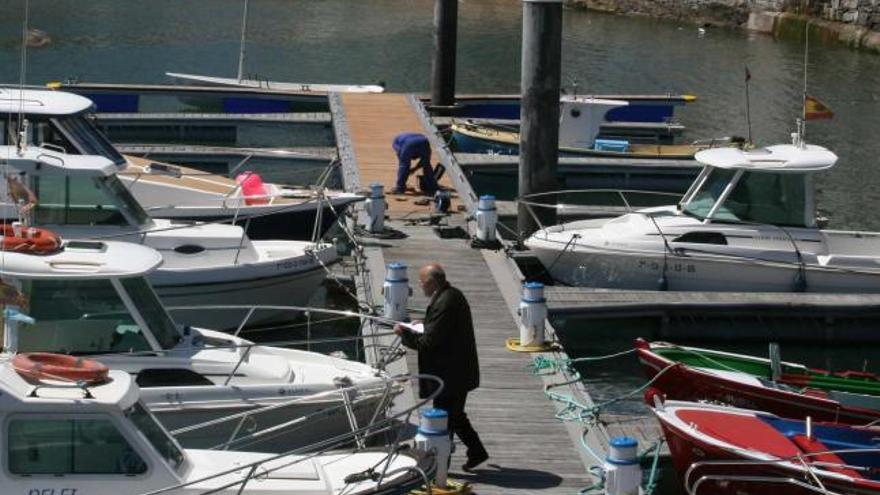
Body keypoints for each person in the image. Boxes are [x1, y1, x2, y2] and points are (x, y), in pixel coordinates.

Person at [394, 263, 489, 471]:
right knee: (454, 415)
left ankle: (440, 468)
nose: (420, 286)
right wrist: (424, 324)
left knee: (444, 421)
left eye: (421, 282)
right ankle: (477, 452)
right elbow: (440, 328)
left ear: (431, 282)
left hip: (451, 374)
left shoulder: (445, 302)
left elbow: (428, 343)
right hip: (457, 370)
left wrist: (405, 334)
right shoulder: (451, 295)